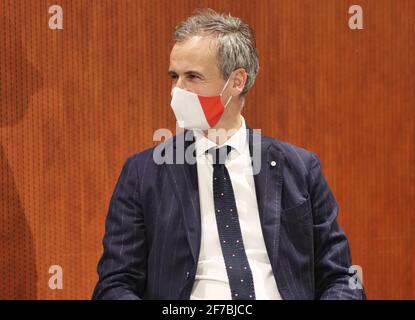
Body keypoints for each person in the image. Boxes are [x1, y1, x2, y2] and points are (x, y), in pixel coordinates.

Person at [92, 8, 365, 300]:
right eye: (174, 76)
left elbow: (340, 276)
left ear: (236, 82)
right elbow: (115, 285)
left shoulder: (300, 167)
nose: (177, 90)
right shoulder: (143, 172)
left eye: (193, 77)